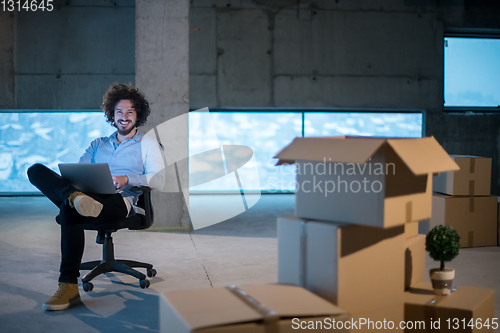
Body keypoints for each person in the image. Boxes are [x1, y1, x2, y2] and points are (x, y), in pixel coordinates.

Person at [27, 83, 165, 311]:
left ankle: (68, 287)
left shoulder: (147, 144)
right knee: (36, 170)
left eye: (130, 111)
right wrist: (75, 188)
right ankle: (75, 199)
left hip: (119, 201)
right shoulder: (97, 144)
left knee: (68, 208)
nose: (124, 117)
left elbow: (159, 180)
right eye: (119, 112)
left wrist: (127, 179)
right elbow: (79, 172)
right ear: (112, 114)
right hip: (88, 195)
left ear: (137, 115)